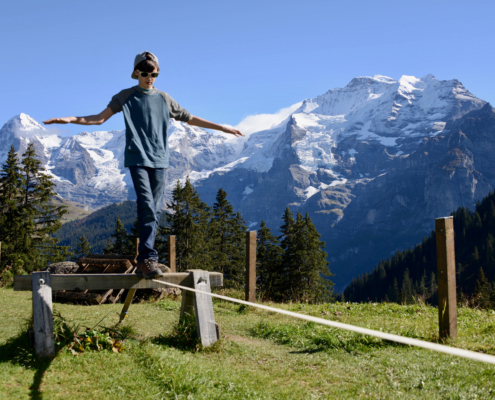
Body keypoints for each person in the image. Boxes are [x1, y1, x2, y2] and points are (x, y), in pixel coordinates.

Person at [44, 51, 244, 279]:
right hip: (137, 158)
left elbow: (190, 118)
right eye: (146, 73)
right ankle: (148, 258)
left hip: (160, 161)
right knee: (147, 204)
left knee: (155, 208)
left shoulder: (165, 99)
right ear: (136, 72)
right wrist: (70, 120)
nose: (150, 77)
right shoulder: (125, 96)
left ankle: (145, 260)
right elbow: (99, 119)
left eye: (155, 74)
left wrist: (223, 127)